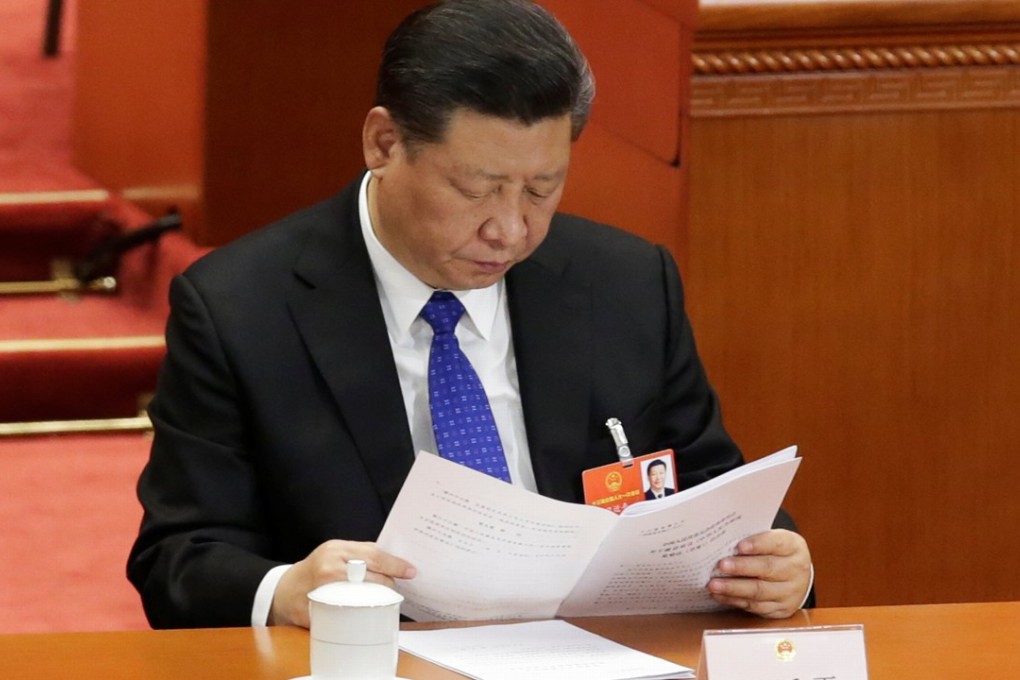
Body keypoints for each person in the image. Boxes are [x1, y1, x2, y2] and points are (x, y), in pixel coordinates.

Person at [128, 0, 813, 630]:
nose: (511, 230)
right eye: (476, 190)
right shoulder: (241, 307)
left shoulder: (626, 284)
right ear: (384, 143)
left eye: (542, 189)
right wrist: (285, 588)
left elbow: (708, 488)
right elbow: (178, 558)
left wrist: (776, 565)